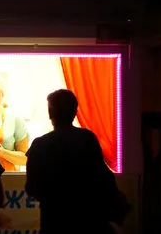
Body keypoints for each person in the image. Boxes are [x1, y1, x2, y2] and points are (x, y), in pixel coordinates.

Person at [25, 89, 124, 234]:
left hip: (54, 221)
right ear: (75, 111)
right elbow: (103, 178)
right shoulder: (88, 139)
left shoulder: (40, 144)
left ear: (50, 113)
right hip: (88, 221)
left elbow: (31, 187)